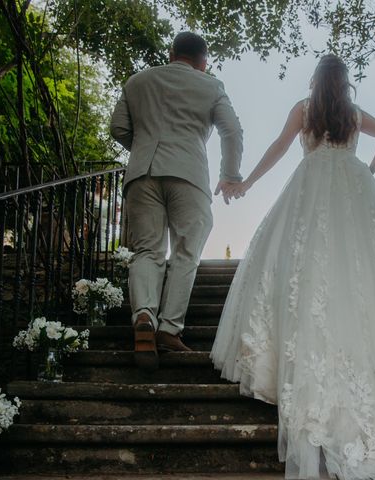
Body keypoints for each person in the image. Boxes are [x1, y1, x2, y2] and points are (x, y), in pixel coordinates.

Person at [211, 55, 375, 479]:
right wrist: (368, 167)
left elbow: (279, 146)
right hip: (352, 186)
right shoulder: (352, 113)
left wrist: (248, 183)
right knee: (359, 269)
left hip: (311, 186)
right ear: (344, 81)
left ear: (316, 79)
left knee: (307, 267)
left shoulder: (305, 109)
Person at [111, 31, 243, 371]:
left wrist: (143, 151)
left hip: (142, 175)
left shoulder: (137, 81)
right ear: (203, 61)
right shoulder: (211, 85)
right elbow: (232, 130)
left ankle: (143, 315)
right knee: (186, 252)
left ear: (172, 53)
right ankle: (169, 329)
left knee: (147, 251)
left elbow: (118, 128)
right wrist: (230, 174)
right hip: (189, 174)